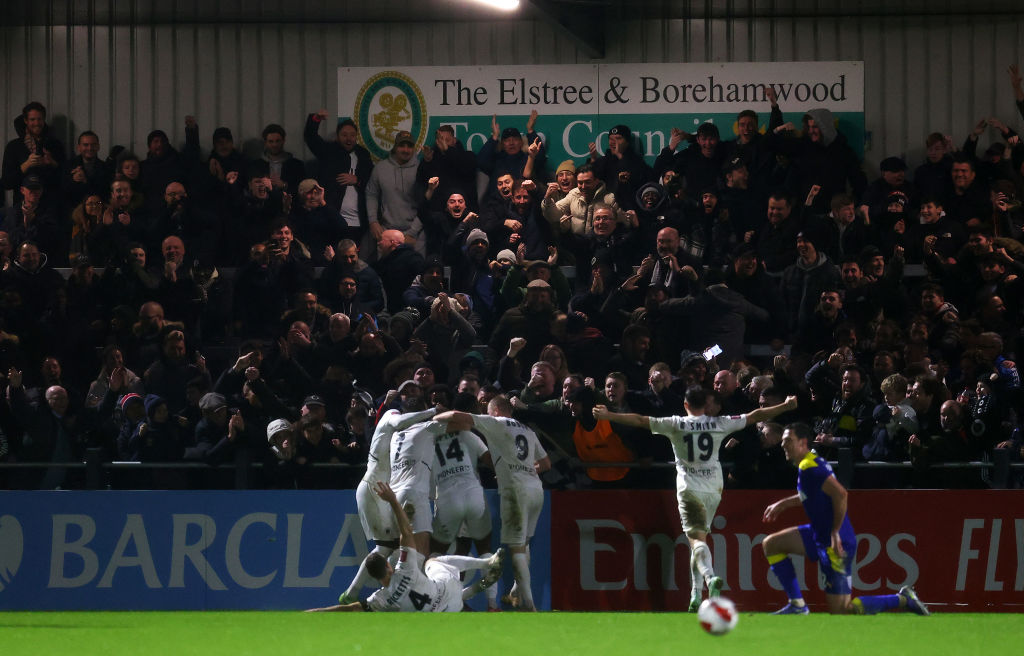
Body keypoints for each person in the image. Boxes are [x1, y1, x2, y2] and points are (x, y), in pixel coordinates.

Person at [593, 385, 798, 611]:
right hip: (714, 490)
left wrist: (609, 415)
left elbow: (641, 420)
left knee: (697, 540)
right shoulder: (720, 422)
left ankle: (710, 579)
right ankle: (695, 596)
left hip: (690, 489)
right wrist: (785, 406)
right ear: (705, 405)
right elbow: (755, 416)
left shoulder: (675, 423)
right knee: (700, 540)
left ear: (686, 405)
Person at [761, 422, 930, 616]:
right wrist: (783, 504)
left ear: (803, 442)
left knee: (842, 610)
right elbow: (813, 494)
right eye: (783, 441)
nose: (783, 445)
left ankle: (903, 599)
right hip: (818, 534)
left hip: (836, 540)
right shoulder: (808, 463)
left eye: (788, 441)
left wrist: (834, 532)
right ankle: (797, 605)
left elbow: (841, 494)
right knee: (771, 544)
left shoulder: (809, 466)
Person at [310, 481, 504, 612]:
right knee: (433, 562)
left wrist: (315, 611)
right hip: (448, 593)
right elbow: (406, 534)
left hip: (445, 614)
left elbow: (350, 609)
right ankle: (487, 563)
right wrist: (394, 501)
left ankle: (482, 585)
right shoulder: (404, 569)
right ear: (388, 566)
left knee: (434, 599)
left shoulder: (380, 600)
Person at [434, 395, 551, 611]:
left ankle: (529, 606)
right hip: (536, 489)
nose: (487, 415)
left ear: (495, 411)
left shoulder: (494, 422)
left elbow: (459, 416)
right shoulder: (527, 429)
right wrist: (523, 470)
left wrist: (436, 416)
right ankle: (516, 590)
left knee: (516, 549)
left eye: (488, 412)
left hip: (516, 491)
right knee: (524, 544)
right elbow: (545, 463)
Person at [337, 401, 437, 604]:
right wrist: (432, 411)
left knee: (393, 546)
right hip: (373, 490)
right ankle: (352, 593)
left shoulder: (409, 437)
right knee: (386, 545)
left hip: (382, 491)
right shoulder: (390, 417)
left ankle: (359, 593)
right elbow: (400, 420)